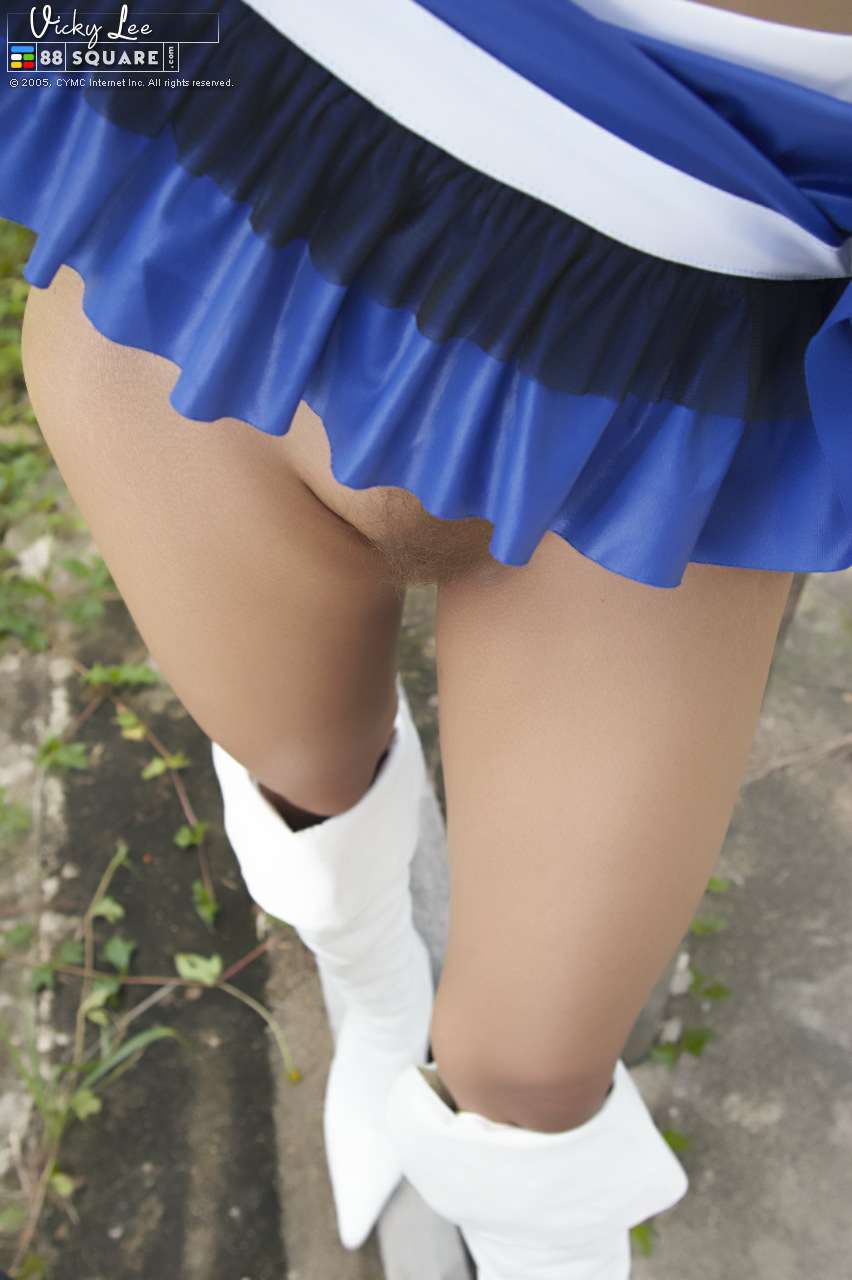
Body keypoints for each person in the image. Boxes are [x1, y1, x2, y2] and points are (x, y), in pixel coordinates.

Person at [3, 0, 851, 1273]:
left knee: (534, 1078)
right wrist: (85, 44)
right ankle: (378, 1001)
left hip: (688, 335)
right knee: (304, 783)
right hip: (229, 163)